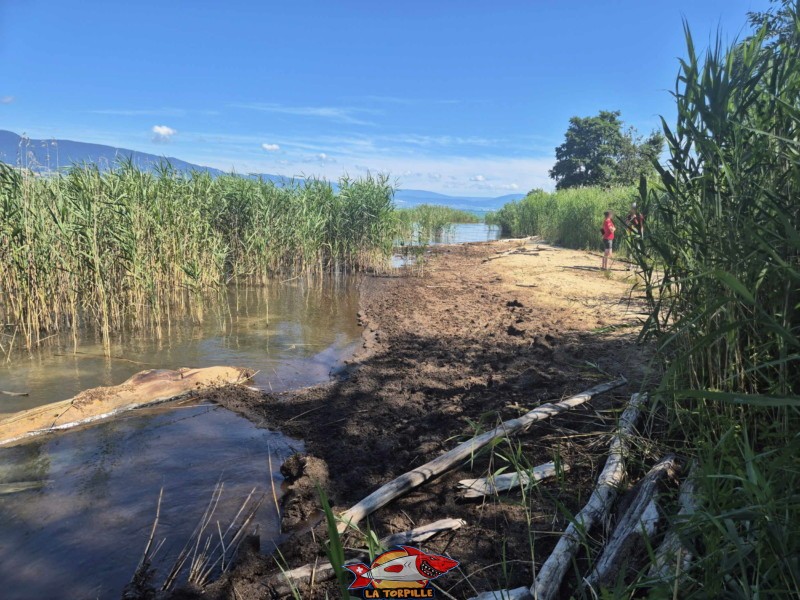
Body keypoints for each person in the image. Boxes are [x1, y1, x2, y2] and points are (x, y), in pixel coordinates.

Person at [624, 203, 645, 270]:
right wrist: (631, 219)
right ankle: (630, 265)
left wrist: (642, 235)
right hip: (629, 235)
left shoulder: (639, 216)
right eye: (631, 208)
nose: (631, 209)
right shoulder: (629, 216)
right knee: (629, 250)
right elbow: (626, 224)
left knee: (637, 250)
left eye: (632, 208)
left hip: (637, 235)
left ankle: (638, 265)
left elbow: (641, 227)